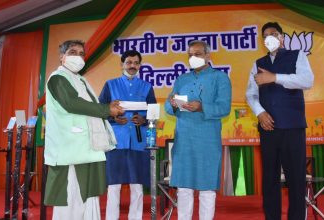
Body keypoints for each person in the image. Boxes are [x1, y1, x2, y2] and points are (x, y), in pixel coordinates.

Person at [44, 40, 124, 220]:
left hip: (84, 148)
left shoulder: (80, 80)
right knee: (70, 197)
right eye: (73, 52)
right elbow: (71, 104)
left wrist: (110, 114)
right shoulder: (58, 78)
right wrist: (106, 110)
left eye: (81, 54)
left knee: (87, 195)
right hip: (69, 149)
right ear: (62, 57)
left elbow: (90, 109)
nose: (78, 57)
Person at [245, 22, 314, 220]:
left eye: (274, 34)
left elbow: (307, 81)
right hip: (268, 128)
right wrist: (259, 113)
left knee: (296, 179)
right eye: (265, 36)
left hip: (293, 127)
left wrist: (274, 78)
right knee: (270, 180)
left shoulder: (297, 55)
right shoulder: (257, 63)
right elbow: (251, 94)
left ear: (282, 37)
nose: (270, 38)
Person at [165, 40, 232, 220]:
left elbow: (224, 108)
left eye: (197, 54)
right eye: (190, 55)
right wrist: (172, 104)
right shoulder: (182, 79)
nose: (193, 58)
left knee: (207, 188)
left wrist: (202, 107)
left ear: (208, 56)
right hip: (184, 138)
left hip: (207, 139)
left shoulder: (220, 78)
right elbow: (168, 104)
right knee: (184, 188)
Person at [99, 50, 156, 220]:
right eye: (129, 62)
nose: (132, 66)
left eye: (136, 63)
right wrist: (113, 116)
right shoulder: (110, 85)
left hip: (138, 142)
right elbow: (100, 110)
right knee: (114, 185)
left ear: (140, 65)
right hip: (116, 141)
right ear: (122, 64)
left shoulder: (146, 87)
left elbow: (153, 112)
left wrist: (144, 119)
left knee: (137, 185)